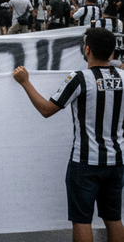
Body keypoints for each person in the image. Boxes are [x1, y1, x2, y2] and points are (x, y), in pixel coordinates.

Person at [12, 28, 124, 242]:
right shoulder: (123, 77)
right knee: (114, 218)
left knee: (82, 220)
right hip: (117, 161)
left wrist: (25, 82)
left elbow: (47, 109)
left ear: (87, 49)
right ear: (112, 53)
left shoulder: (80, 78)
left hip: (85, 162)